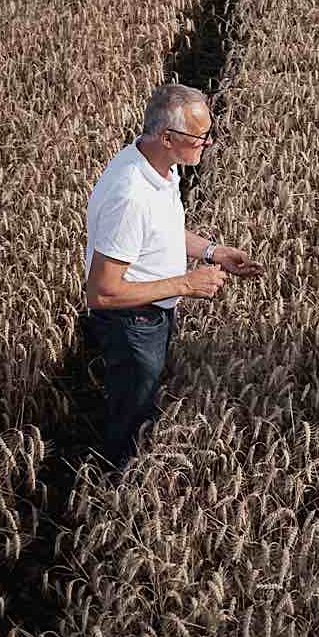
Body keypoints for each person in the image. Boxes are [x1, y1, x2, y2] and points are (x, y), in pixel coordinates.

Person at [81, 83, 262, 465]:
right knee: (130, 419)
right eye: (200, 137)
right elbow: (101, 293)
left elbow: (160, 231)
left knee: (137, 406)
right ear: (167, 137)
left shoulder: (160, 167)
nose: (208, 144)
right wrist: (187, 283)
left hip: (151, 316)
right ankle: (112, 484)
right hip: (131, 326)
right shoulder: (130, 196)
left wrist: (214, 252)